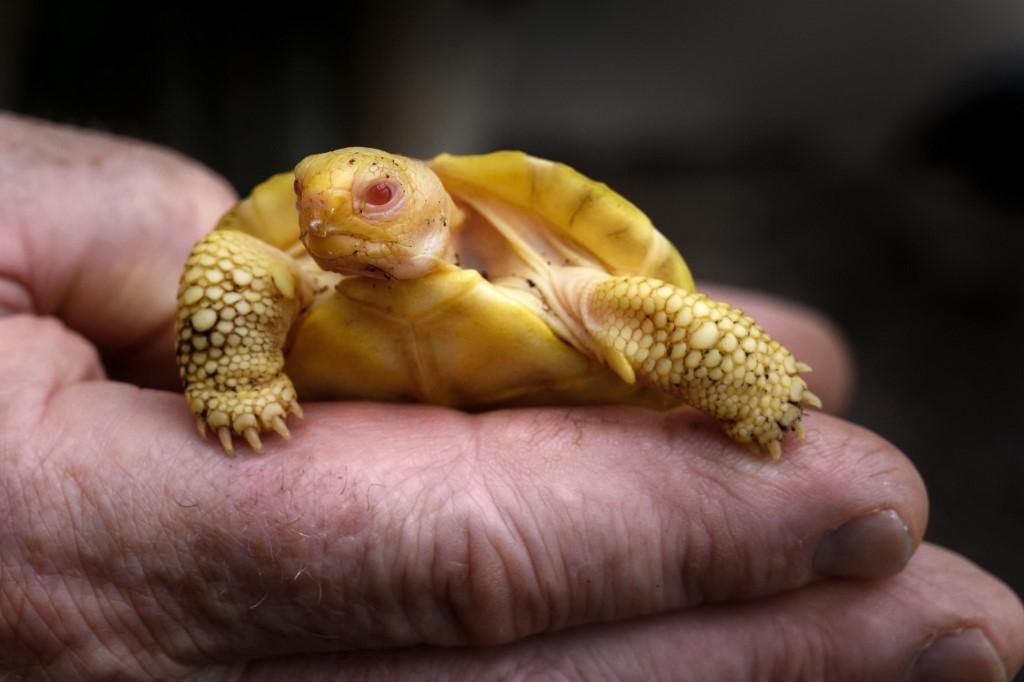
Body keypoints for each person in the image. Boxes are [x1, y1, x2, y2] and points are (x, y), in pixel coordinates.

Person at [0, 111, 1020, 681]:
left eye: (377, 195)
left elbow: (658, 308)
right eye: (315, 204)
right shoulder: (286, 272)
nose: (331, 217)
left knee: (777, 396)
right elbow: (234, 265)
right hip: (346, 394)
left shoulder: (567, 284)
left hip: (555, 346)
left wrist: (744, 383)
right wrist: (231, 377)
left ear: (437, 204)